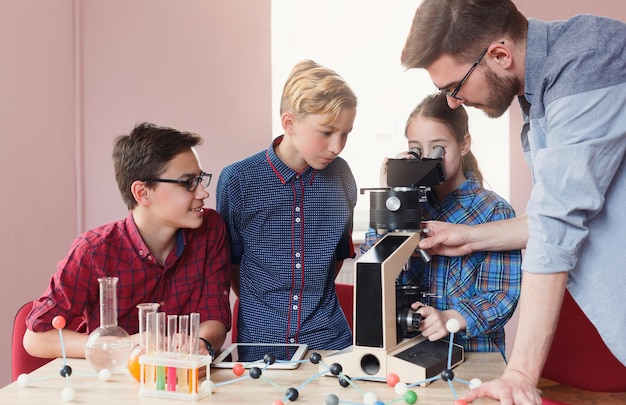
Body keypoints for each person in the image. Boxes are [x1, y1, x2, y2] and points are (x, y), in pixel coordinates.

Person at [400, 1, 626, 404]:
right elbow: (553, 215)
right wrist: (469, 238)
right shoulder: (539, 88)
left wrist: (520, 374)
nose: (452, 102)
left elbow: (558, 223)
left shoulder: (585, 64)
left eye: (454, 87)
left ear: (500, 55)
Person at [24, 122, 231, 359]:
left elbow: (214, 315)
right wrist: (124, 344)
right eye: (188, 183)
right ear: (142, 193)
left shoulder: (210, 229)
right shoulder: (93, 252)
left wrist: (200, 342)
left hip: (182, 383)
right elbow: (35, 338)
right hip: (112, 385)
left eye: (200, 179)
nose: (203, 193)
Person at [360, 93, 521, 358]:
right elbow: (372, 272)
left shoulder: (494, 211)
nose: (427, 160)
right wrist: (391, 202)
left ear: (464, 144)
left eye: (438, 148)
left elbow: (502, 296)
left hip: (472, 354)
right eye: (416, 149)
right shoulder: (404, 206)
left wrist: (451, 318)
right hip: (408, 351)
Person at [216, 59, 357, 351]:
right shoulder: (238, 181)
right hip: (258, 343)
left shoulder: (342, 176)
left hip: (329, 341)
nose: (337, 146)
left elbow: (338, 254)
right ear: (289, 122)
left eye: (345, 133)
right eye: (327, 132)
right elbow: (231, 264)